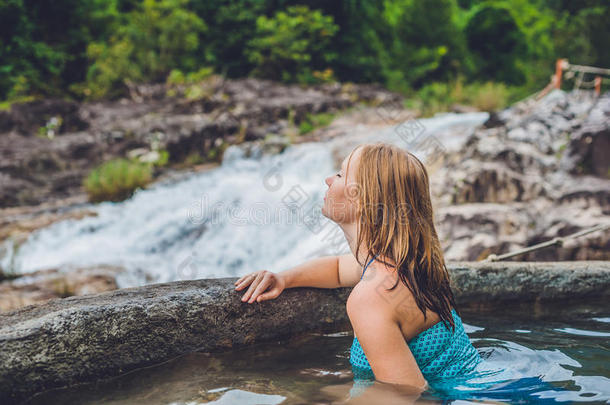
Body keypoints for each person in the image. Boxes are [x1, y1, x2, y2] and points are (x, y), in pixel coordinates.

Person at [233, 142, 482, 396]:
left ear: (362, 200)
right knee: (311, 393)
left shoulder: (371, 297)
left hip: (443, 398)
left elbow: (405, 395)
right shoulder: (406, 265)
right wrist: (284, 278)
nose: (328, 179)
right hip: (473, 387)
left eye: (340, 174)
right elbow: (338, 268)